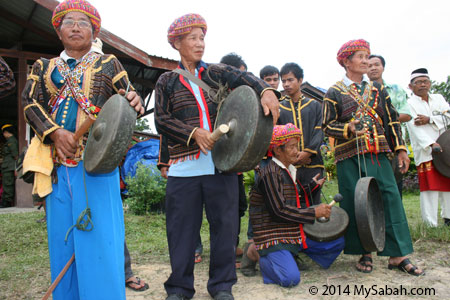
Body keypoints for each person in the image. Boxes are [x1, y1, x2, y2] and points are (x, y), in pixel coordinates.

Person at [21, 1, 144, 299]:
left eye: (83, 23)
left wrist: (134, 101)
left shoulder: (108, 63)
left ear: (94, 31)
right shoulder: (44, 67)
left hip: (97, 166)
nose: (76, 27)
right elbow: (29, 102)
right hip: (57, 165)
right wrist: (55, 132)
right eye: (69, 22)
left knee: (101, 239)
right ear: (59, 31)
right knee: (63, 241)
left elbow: (126, 98)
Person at [154, 13, 279, 300]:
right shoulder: (167, 81)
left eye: (202, 38)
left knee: (225, 230)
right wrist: (194, 133)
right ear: (176, 43)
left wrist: (267, 90)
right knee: (181, 233)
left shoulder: (216, 72)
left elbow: (246, 78)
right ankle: (180, 288)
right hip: (183, 169)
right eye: (192, 38)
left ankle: (222, 287)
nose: (199, 44)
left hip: (221, 166)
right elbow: (161, 119)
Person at [322, 39, 424, 276]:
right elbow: (326, 125)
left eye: (368, 57)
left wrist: (400, 149)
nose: (366, 62)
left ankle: (397, 254)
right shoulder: (334, 91)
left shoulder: (378, 90)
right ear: (347, 62)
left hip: (378, 152)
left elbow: (391, 120)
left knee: (389, 197)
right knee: (357, 202)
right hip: (350, 156)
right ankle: (365, 252)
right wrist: (348, 129)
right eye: (361, 57)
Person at [249, 123, 344, 287]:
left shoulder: (288, 169)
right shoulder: (270, 173)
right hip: (273, 235)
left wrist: (312, 187)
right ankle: (256, 253)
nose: (297, 151)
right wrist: (314, 213)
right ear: (278, 150)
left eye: (297, 146)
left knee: (338, 241)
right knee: (290, 278)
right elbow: (278, 211)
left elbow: (294, 197)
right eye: (292, 147)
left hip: (292, 232)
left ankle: (288, 254)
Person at [89, 36, 149, 290]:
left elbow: (131, 101)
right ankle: (86, 275)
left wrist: (132, 99)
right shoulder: (56, 72)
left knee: (109, 219)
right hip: (65, 157)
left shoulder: (109, 67)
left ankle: (123, 271)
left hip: (103, 158)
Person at [405, 68, 450, 227]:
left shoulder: (439, 98)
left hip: (446, 150)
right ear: (411, 86)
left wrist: (430, 119)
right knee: (430, 188)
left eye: (425, 81)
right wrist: (431, 144)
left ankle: (448, 218)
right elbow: (414, 128)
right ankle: (430, 224)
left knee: (447, 185)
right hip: (426, 151)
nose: (422, 85)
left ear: (430, 83)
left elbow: (448, 116)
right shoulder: (409, 103)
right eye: (418, 82)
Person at [279, 63, 324, 206]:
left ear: (300, 80)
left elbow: (319, 130)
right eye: (284, 81)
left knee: (313, 202)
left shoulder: (314, 105)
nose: (286, 84)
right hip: (289, 165)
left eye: (290, 80)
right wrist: (291, 157)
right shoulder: (279, 108)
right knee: (292, 202)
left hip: (313, 163)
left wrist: (307, 153)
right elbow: (277, 136)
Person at [368, 54, 412, 198]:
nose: (373, 68)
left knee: (394, 184)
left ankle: (396, 218)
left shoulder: (395, 89)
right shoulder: (361, 91)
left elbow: (406, 114)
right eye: (369, 65)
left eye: (376, 64)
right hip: (371, 145)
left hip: (393, 142)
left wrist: (385, 119)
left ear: (383, 67)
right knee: (372, 186)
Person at [1, 124, 18, 208]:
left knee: (8, 184)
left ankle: (6, 202)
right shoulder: (9, 141)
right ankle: (5, 201)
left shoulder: (11, 141)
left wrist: (16, 168)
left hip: (9, 166)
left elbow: (15, 156)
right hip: (7, 166)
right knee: (6, 184)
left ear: (6, 132)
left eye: (4, 133)